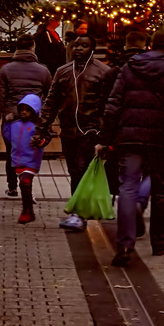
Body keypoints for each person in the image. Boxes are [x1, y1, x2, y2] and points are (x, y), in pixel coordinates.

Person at [101, 30, 164, 266]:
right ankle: (160, 242)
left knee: (128, 188)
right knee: (161, 189)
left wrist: (105, 137)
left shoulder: (128, 69)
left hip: (129, 137)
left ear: (150, 45)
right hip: (161, 139)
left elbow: (113, 104)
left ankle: (124, 244)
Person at [42, 33, 114, 230]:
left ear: (91, 49)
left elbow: (110, 104)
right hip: (68, 131)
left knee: (82, 169)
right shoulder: (62, 71)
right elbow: (51, 101)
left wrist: (105, 132)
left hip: (90, 132)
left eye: (84, 46)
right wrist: (43, 127)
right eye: (76, 45)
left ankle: (78, 214)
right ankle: (80, 209)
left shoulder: (103, 72)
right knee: (74, 171)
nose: (79, 49)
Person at [0, 36, 52, 198]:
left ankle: (12, 186)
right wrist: (46, 120)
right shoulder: (43, 70)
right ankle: (27, 180)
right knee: (32, 151)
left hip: (12, 120)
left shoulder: (6, 70)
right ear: (33, 48)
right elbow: (50, 97)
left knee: (12, 152)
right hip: (34, 120)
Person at [3, 94, 47, 223]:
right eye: (22, 109)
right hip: (17, 161)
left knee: (24, 182)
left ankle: (27, 211)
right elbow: (7, 137)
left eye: (28, 110)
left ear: (35, 111)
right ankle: (29, 211)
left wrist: (40, 141)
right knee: (25, 185)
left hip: (32, 160)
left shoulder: (37, 126)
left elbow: (46, 137)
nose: (24, 112)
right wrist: (6, 122)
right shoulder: (15, 124)